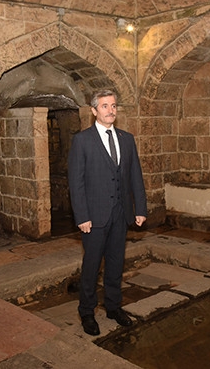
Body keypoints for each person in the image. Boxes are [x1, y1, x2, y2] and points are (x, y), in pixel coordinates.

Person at [68, 89, 147, 336]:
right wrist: (82, 216)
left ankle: (113, 307)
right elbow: (76, 182)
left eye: (113, 106)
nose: (110, 110)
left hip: (121, 214)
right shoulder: (82, 140)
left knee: (115, 263)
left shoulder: (127, 139)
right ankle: (87, 312)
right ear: (94, 111)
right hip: (94, 217)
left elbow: (135, 176)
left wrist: (140, 208)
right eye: (104, 106)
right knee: (92, 266)